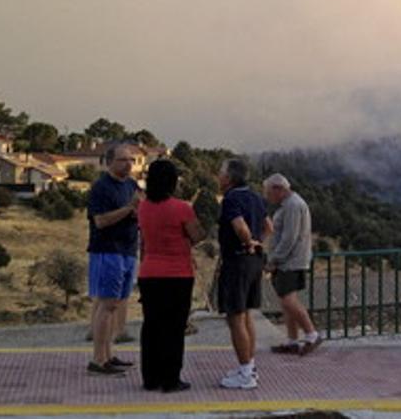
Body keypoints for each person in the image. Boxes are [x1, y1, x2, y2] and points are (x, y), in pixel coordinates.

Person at [137, 159, 205, 393]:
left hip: (148, 272)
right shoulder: (182, 208)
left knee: (152, 326)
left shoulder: (143, 207)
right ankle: (170, 378)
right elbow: (197, 236)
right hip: (177, 273)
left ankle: (150, 377)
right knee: (174, 328)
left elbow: (144, 241)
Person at [86, 143, 141, 376]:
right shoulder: (101, 188)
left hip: (128, 250)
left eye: (131, 160)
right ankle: (98, 360)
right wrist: (129, 209)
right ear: (109, 162)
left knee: (116, 304)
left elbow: (138, 209)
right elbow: (100, 221)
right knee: (106, 303)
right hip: (107, 250)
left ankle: (109, 355)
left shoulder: (131, 185)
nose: (128, 164)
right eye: (122, 160)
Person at [216, 159, 267, 389]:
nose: (218, 176)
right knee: (246, 315)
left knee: (234, 316)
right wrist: (258, 243)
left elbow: (239, 226)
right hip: (255, 262)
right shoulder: (256, 197)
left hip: (237, 261)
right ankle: (249, 364)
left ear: (229, 178)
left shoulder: (231, 199)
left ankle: (245, 373)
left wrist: (247, 242)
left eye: (221, 173)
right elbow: (269, 226)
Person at [263, 173, 321, 355]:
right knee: (286, 301)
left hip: (290, 261)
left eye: (268, 193)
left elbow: (289, 238)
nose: (268, 197)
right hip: (291, 260)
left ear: (278, 189)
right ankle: (292, 340)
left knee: (288, 300)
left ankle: (312, 334)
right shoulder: (290, 205)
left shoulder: (293, 206)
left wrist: (274, 260)